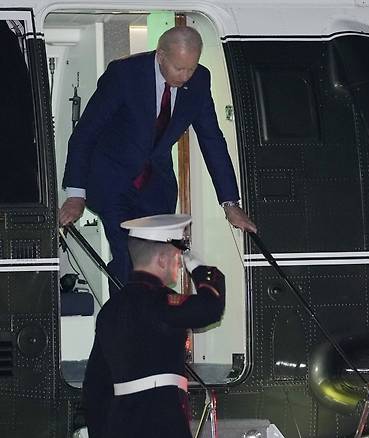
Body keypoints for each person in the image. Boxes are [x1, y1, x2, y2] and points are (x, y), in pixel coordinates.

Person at [59, 25, 256, 289]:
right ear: (161, 56)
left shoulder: (199, 81)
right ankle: (127, 325)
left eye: (192, 68)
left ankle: (150, 323)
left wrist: (230, 203)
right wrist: (76, 194)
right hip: (114, 181)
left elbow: (212, 140)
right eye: (179, 68)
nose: (186, 76)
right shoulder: (124, 75)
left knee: (160, 264)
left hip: (156, 185)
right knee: (130, 260)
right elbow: (85, 133)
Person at [82, 213, 225, 438]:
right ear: (161, 260)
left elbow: (95, 385)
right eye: (178, 257)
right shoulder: (160, 302)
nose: (180, 264)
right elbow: (211, 306)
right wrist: (197, 266)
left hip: (119, 424)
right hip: (160, 421)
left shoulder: (110, 309)